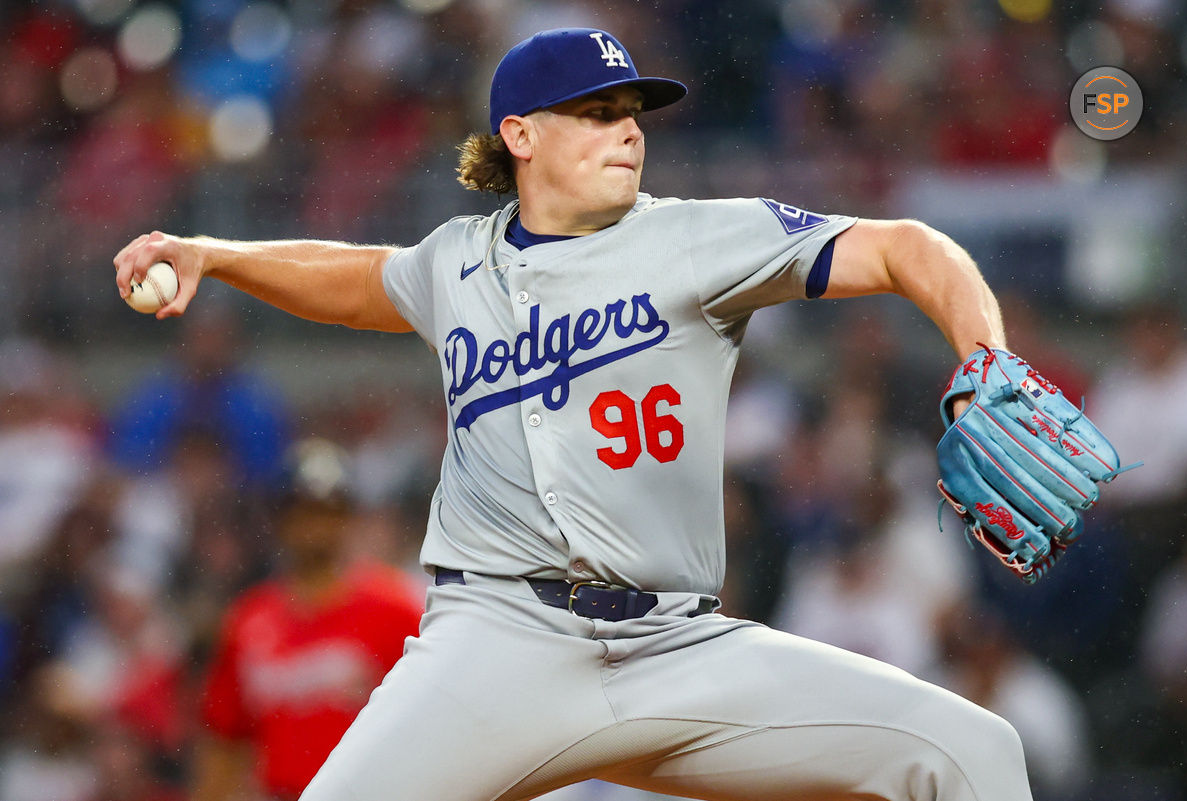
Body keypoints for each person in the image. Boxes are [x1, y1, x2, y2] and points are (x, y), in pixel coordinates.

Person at [117, 28, 1032, 801]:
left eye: (633, 115)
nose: (628, 134)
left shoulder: (701, 237)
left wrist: (985, 354)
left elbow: (910, 247)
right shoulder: (454, 262)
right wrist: (217, 252)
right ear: (519, 133)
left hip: (678, 643)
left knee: (974, 754)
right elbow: (357, 278)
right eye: (597, 114)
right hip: (498, 642)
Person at [191, 438, 425, 801]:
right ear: (280, 518)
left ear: (348, 518)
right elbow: (225, 743)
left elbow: (430, 722)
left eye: (329, 510)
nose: (316, 525)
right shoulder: (249, 618)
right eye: (303, 510)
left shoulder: (395, 607)